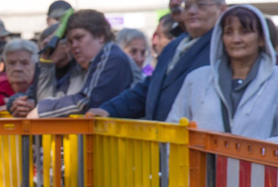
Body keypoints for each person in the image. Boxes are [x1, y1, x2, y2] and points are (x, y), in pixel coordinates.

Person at [90, 0, 227, 121]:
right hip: (163, 141)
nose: (192, 11)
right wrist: (110, 109)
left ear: (221, 9)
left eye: (201, 4)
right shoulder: (173, 46)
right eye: (187, 5)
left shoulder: (223, 47)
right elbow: (150, 87)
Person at [167, 5, 278, 139]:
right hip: (200, 161)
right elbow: (173, 131)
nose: (236, 39)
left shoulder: (275, 81)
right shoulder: (197, 79)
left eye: (245, 31)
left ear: (261, 38)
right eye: (229, 32)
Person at [32, 9, 143, 118]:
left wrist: (42, 110)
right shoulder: (81, 66)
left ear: (101, 36)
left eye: (79, 38)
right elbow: (49, 101)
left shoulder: (113, 57)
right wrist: (46, 62)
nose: (73, 45)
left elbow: (87, 102)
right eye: (70, 41)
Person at [7, 22, 76, 118]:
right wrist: (18, 103)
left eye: (50, 46)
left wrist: (39, 107)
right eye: (43, 49)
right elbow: (31, 92)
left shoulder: (78, 69)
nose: (45, 53)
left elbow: (73, 100)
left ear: (66, 45)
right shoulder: (46, 66)